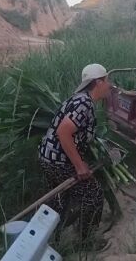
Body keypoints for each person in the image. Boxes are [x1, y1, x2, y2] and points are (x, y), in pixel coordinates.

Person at [38, 63, 112, 250]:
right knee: (93, 195)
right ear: (98, 82)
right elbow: (64, 133)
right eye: (107, 80)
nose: (109, 85)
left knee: (58, 201)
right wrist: (79, 166)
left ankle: (48, 242)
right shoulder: (84, 103)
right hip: (58, 161)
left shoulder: (80, 99)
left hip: (48, 157)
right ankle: (86, 242)